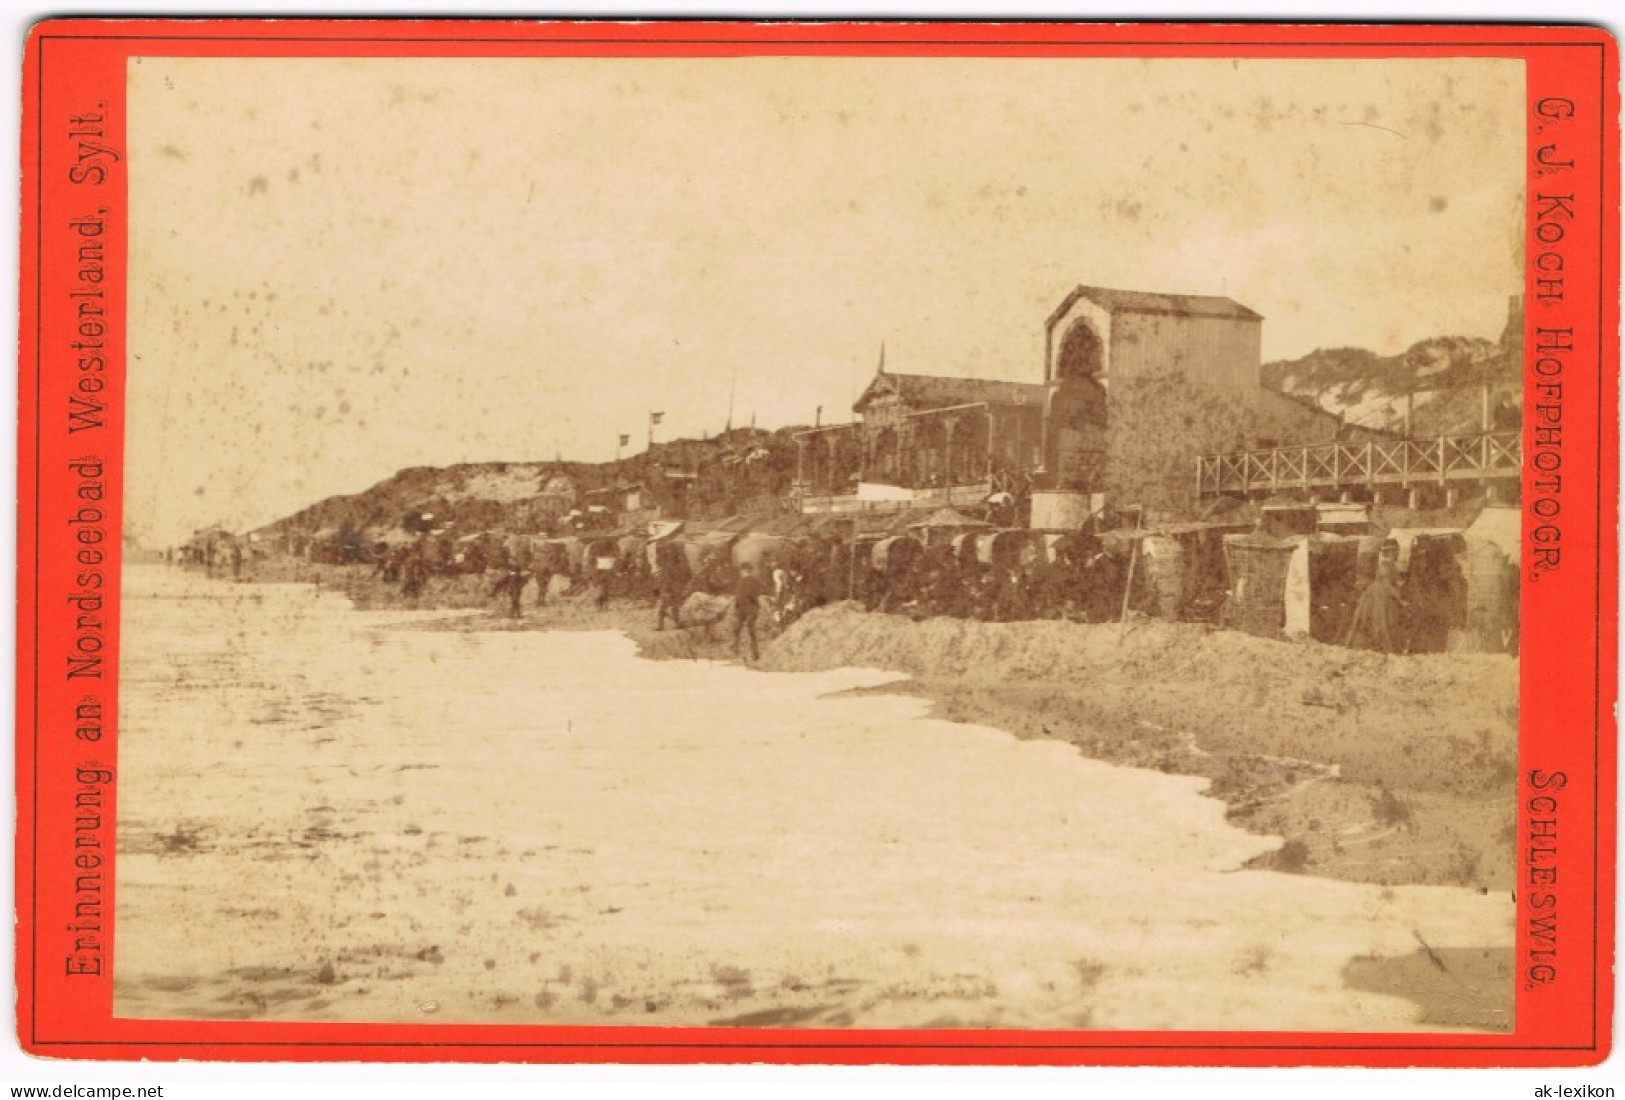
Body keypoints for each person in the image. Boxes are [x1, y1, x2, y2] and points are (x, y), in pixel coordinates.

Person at [1345, 539, 1404, 652]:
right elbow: (1387, 586)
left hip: (1385, 597)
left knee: (1389, 622)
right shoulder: (1384, 567)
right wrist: (1400, 598)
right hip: (1379, 598)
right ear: (1390, 552)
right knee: (1381, 622)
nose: (1398, 553)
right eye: (1396, 551)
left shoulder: (1391, 566)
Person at [731, 562, 767, 661]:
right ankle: (747, 653)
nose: (741, 572)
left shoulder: (745, 581)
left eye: (742, 570)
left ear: (745, 571)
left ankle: (752, 654)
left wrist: (738, 605)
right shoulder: (748, 581)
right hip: (748, 607)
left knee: (746, 630)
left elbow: (739, 596)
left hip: (747, 607)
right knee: (746, 630)